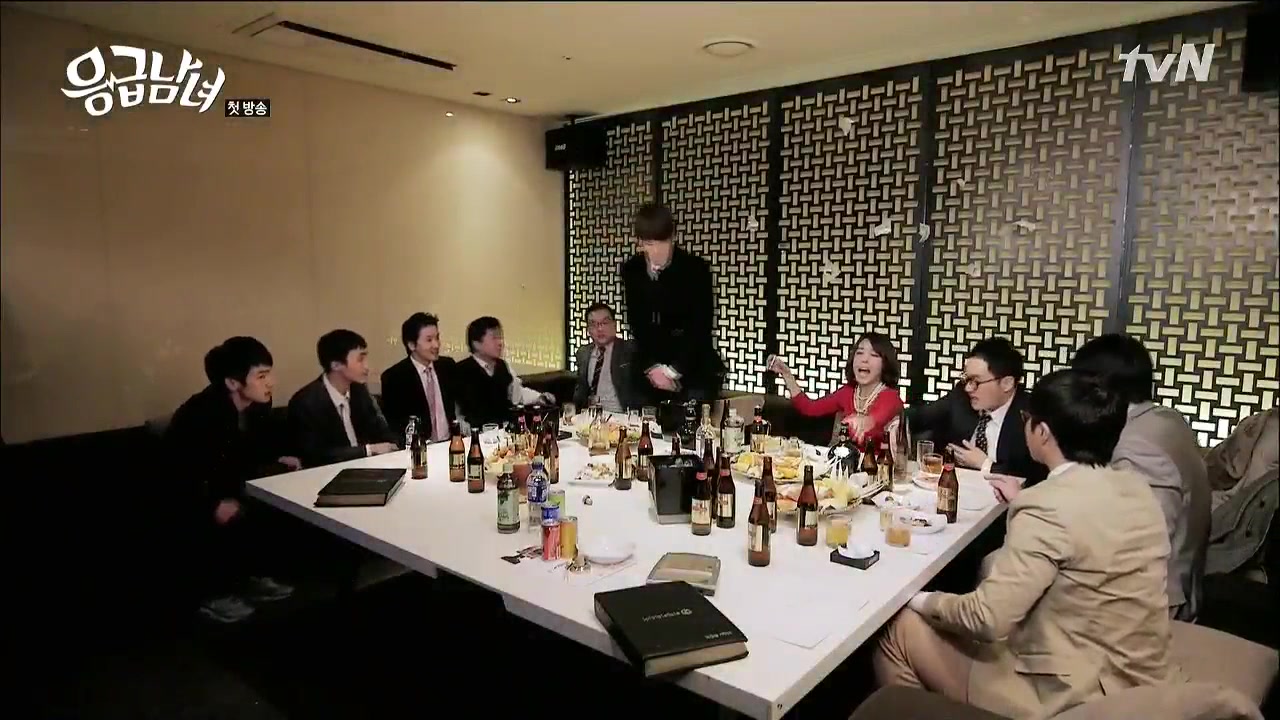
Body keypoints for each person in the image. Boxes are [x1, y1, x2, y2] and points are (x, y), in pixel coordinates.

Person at [874, 369, 1180, 719]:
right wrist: (1025, 501)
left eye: (1027, 418)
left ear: (1042, 432)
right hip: (1137, 675)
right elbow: (1085, 531)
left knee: (898, 628)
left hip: (1070, 693)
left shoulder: (1047, 505)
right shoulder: (1136, 489)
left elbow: (986, 618)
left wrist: (916, 598)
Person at [1072, 333, 1210, 622]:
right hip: (1182, 580)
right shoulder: (1165, 419)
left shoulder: (1136, 444)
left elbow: (1138, 551)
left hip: (1150, 603)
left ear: (1099, 389)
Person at [164, 337, 299, 623]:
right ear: (232, 382)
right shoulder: (201, 415)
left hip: (232, 485)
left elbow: (255, 451)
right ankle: (212, 594)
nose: (271, 382)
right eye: (261, 376)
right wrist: (212, 503)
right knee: (223, 515)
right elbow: (180, 474)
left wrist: (279, 459)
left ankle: (251, 578)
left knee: (276, 499)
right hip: (187, 496)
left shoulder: (257, 407)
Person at [621, 203, 725, 405]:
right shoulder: (632, 270)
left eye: (663, 243)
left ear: (673, 237)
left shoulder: (695, 269)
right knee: (638, 415)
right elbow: (636, 323)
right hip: (649, 369)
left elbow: (700, 326)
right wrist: (653, 369)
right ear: (640, 242)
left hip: (692, 367)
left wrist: (672, 371)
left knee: (692, 415)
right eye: (650, 244)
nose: (657, 250)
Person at [906, 337, 1046, 486]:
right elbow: (919, 416)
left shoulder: (1032, 415)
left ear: (1007, 383)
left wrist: (986, 464)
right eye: (967, 379)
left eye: (976, 382)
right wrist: (898, 423)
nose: (968, 388)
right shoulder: (961, 397)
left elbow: (1035, 476)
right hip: (957, 489)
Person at [769, 332, 904, 448]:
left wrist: (863, 421)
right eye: (859, 353)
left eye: (874, 355)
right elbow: (810, 408)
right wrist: (786, 374)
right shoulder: (847, 392)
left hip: (879, 468)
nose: (864, 359)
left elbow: (875, 418)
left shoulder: (891, 397)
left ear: (885, 364)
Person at [288, 329, 399, 468]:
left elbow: (381, 431)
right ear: (335, 365)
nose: (367, 367)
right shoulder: (306, 402)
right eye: (360, 359)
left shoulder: (359, 391)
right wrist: (367, 450)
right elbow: (315, 455)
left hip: (367, 469)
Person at [454, 316, 555, 428]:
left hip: (505, 431)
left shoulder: (503, 366)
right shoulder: (460, 371)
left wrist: (539, 397)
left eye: (500, 337)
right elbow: (456, 411)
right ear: (476, 343)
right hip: (477, 434)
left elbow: (517, 394)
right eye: (494, 338)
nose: (500, 343)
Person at [380, 312, 460, 443]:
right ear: (411, 345)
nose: (436, 345)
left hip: (451, 442)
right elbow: (395, 424)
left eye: (437, 338)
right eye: (429, 340)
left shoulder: (447, 366)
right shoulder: (394, 377)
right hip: (419, 447)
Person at [572, 302, 638, 413]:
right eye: (593, 324)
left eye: (605, 323)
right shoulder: (583, 353)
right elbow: (580, 391)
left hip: (623, 416)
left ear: (614, 325)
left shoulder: (630, 349)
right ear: (588, 329)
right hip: (592, 416)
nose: (599, 328)